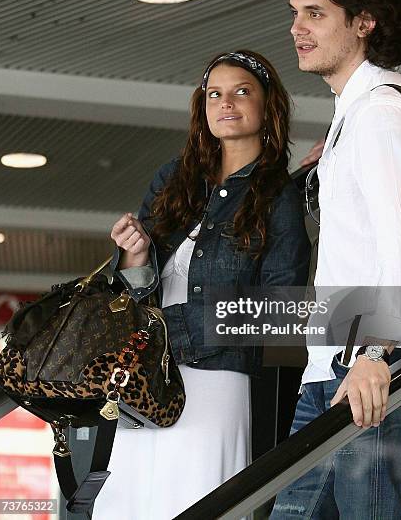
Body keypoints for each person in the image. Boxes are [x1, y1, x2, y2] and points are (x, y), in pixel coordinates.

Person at [271, 0, 401, 519]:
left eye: (316, 13)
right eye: (296, 12)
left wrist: (378, 352)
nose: (298, 27)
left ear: (364, 21)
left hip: (373, 368)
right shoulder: (356, 112)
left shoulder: (381, 112)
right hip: (335, 369)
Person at [92, 50, 311, 520]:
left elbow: (281, 317)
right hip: (149, 378)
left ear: (267, 104)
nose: (225, 103)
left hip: (218, 383)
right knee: (130, 504)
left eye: (240, 92)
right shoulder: (174, 179)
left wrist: (174, 326)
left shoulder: (278, 197)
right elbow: (133, 296)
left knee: (194, 500)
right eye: (215, 94)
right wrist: (134, 257)